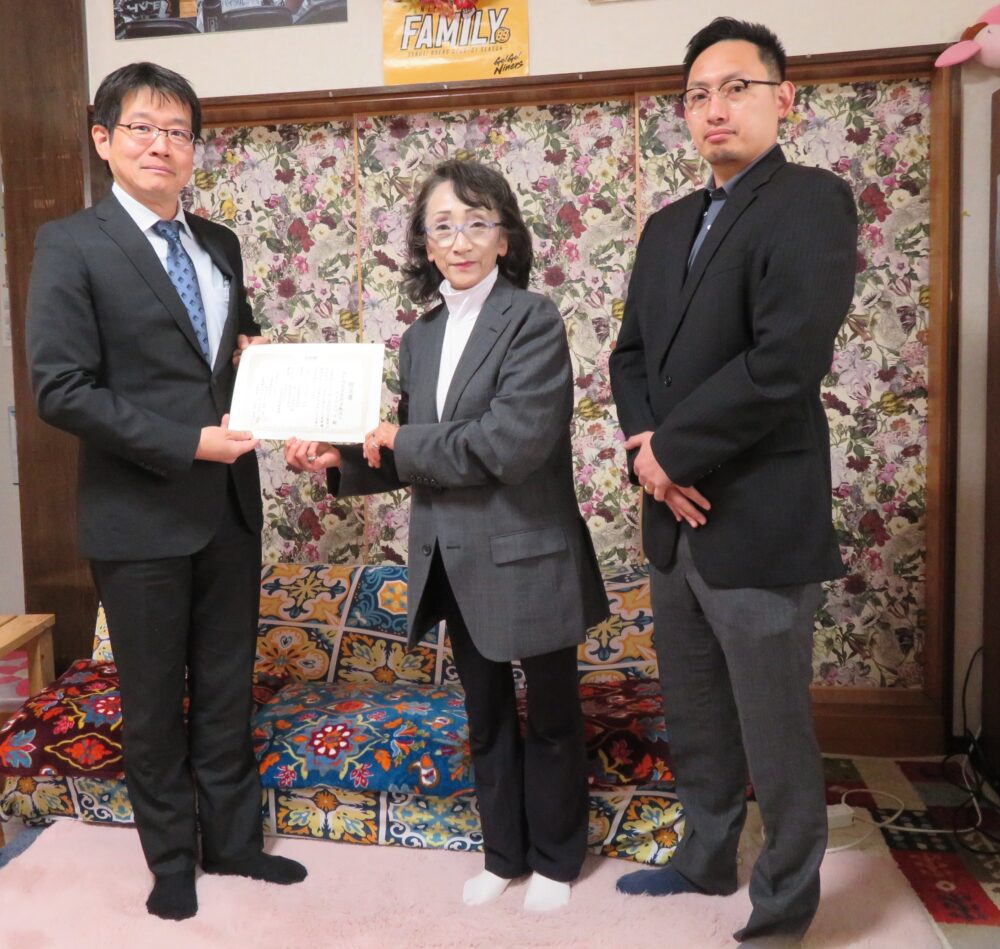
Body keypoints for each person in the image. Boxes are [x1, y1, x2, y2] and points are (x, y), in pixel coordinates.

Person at [285, 159, 610, 912]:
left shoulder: (533, 319)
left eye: (476, 223)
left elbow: (508, 445)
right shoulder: (420, 338)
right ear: (425, 245)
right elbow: (412, 454)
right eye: (442, 227)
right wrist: (339, 459)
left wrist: (396, 437)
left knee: (553, 718)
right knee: (485, 716)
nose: (459, 241)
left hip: (529, 551)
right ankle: (504, 855)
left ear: (505, 238)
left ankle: (557, 860)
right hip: (451, 556)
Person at [26, 62, 305, 921]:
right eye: (142, 128)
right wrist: (187, 442)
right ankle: (171, 858)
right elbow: (60, 389)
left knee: (226, 686)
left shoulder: (219, 243)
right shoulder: (71, 243)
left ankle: (234, 842)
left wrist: (259, 363)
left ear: (193, 149)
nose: (162, 145)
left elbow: (220, 356)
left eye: (178, 131)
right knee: (152, 699)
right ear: (103, 139)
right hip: (138, 512)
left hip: (230, 508)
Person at [609, 18, 857, 945]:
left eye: (736, 88)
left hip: (757, 514)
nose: (715, 108)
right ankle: (705, 855)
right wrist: (649, 453)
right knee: (699, 712)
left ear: (782, 99)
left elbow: (785, 361)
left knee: (774, 728)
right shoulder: (667, 225)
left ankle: (785, 907)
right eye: (698, 95)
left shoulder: (812, 201)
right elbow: (630, 356)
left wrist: (673, 453)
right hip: (672, 518)